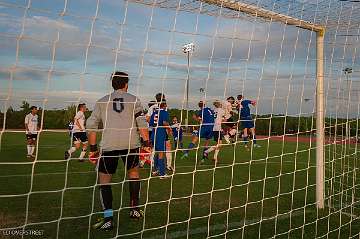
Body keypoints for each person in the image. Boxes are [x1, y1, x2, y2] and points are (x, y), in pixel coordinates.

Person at [86, 71, 150, 231]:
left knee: (104, 180)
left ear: (112, 84)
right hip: (131, 144)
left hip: (109, 145)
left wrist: (93, 148)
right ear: (126, 84)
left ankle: (108, 218)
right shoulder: (134, 99)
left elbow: (91, 125)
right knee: (134, 174)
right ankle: (135, 210)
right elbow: (141, 122)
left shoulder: (102, 101)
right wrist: (147, 143)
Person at [146, 93, 173, 171]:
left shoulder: (153, 108)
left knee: (155, 149)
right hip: (161, 131)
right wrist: (168, 128)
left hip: (153, 130)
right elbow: (164, 121)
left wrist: (154, 123)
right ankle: (165, 167)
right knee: (164, 149)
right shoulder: (164, 109)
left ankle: (155, 166)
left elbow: (148, 119)